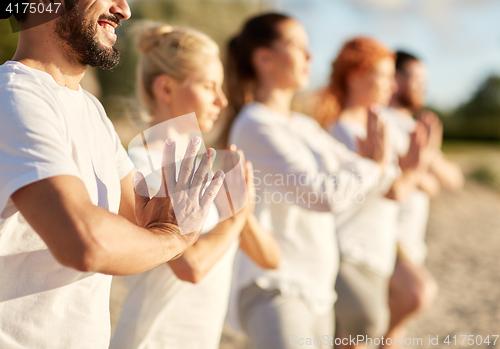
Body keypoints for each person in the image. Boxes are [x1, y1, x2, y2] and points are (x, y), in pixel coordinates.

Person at [0, 2, 224, 348]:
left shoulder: (91, 110)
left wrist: (172, 219)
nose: (124, 9)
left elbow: (137, 222)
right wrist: (174, 237)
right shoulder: (14, 97)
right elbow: (86, 242)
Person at [226, 14, 395, 349]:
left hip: (318, 290)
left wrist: (373, 167)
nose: (310, 56)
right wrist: (372, 165)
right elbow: (323, 195)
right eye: (298, 46)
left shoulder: (302, 126)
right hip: (276, 290)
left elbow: (381, 177)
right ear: (264, 58)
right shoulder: (256, 125)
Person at [110, 23, 281, 349]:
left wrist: (243, 210)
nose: (222, 99)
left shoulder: (201, 168)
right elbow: (191, 266)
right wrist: (236, 217)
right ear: (166, 89)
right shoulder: (139, 164)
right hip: (151, 340)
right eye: (208, 86)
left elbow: (271, 258)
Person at [303, 37, 432, 349]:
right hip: (349, 250)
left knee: (360, 335)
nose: (392, 84)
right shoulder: (342, 131)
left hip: (375, 249)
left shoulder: (372, 125)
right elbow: (394, 191)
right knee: (362, 331)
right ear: (358, 76)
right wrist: (416, 168)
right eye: (385, 75)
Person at [383, 50, 464, 347]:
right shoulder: (383, 122)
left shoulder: (413, 127)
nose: (423, 87)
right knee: (417, 294)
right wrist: (423, 173)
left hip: (411, 239)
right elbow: (403, 180)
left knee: (392, 325)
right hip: (388, 236)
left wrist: (425, 160)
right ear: (395, 79)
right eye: (417, 79)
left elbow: (452, 179)